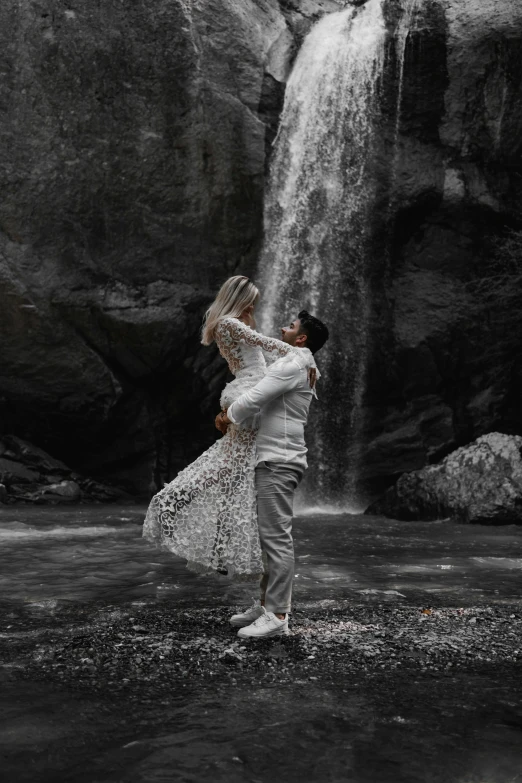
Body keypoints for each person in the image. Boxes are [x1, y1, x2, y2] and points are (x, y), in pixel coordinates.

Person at [142, 276, 319, 580]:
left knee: (233, 473)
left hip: (250, 390)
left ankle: (219, 548)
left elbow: (262, 349)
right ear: (238, 298)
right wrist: (305, 356)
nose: (254, 305)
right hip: (251, 390)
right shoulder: (230, 324)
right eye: (251, 299)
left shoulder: (232, 323)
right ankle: (175, 513)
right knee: (232, 470)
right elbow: (269, 345)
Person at [217, 310, 329, 639]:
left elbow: (256, 396)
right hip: (278, 459)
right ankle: (268, 604)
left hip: (279, 461)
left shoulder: (293, 363)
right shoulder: (300, 361)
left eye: (291, 326)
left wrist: (227, 415)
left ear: (302, 337)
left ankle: (278, 615)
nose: (283, 328)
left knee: (276, 539)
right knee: (270, 537)